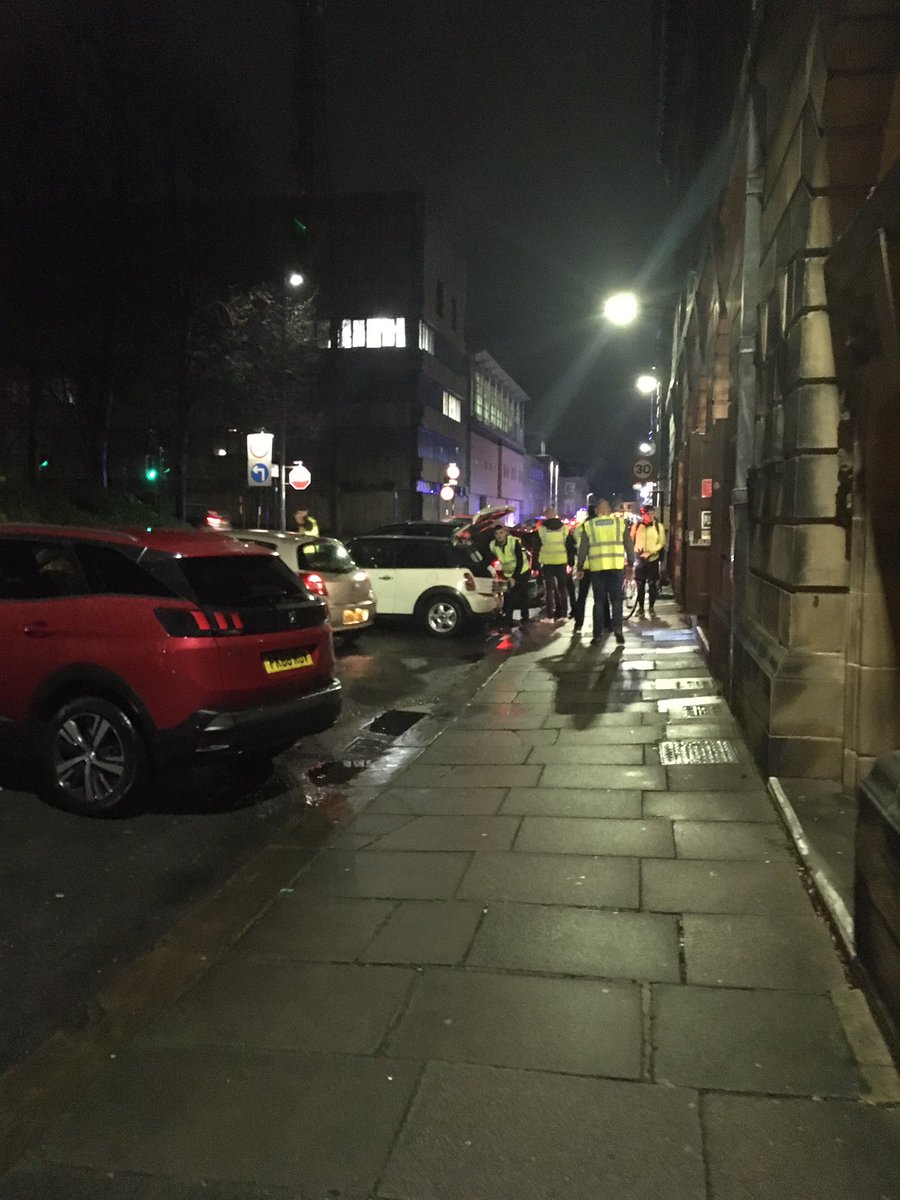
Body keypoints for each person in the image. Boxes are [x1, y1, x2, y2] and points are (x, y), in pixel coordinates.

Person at [576, 497, 627, 645]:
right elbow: (628, 544)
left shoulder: (589, 526)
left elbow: (583, 549)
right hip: (616, 567)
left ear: (597, 510)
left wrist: (579, 567)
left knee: (599, 602)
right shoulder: (619, 524)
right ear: (610, 510)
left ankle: (597, 635)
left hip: (597, 569)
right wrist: (630, 564)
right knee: (617, 601)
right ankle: (618, 629)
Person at [489, 524, 531, 628]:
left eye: (501, 533)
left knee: (520, 595)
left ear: (505, 533)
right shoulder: (493, 545)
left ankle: (524, 619)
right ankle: (509, 620)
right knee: (509, 596)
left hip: (522, 571)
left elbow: (520, 561)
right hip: (508, 573)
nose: (499, 536)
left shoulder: (513, 542)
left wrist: (514, 578)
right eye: (497, 533)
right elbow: (488, 557)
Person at [632, 503, 666, 617]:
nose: (651, 516)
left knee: (652, 584)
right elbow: (631, 541)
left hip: (653, 559)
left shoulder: (658, 526)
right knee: (640, 585)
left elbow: (661, 542)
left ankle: (651, 607)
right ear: (643, 515)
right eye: (648, 514)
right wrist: (635, 552)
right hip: (640, 559)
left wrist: (651, 551)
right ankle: (641, 608)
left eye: (652, 513)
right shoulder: (636, 526)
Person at [537, 506, 569, 622]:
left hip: (548, 562)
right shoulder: (564, 528)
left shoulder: (542, 529)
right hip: (561, 561)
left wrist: (536, 563)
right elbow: (567, 543)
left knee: (549, 590)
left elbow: (538, 545)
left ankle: (550, 616)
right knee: (562, 589)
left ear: (546, 516)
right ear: (555, 515)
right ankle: (564, 615)